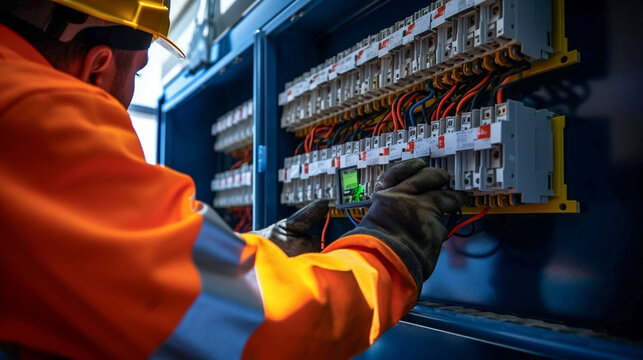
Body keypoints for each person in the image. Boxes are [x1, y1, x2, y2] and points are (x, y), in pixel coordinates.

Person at [0, 0, 467, 358]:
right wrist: (387, 251)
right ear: (99, 63)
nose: (128, 93)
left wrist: (255, 253)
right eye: (138, 72)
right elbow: (251, 322)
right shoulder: (34, 119)